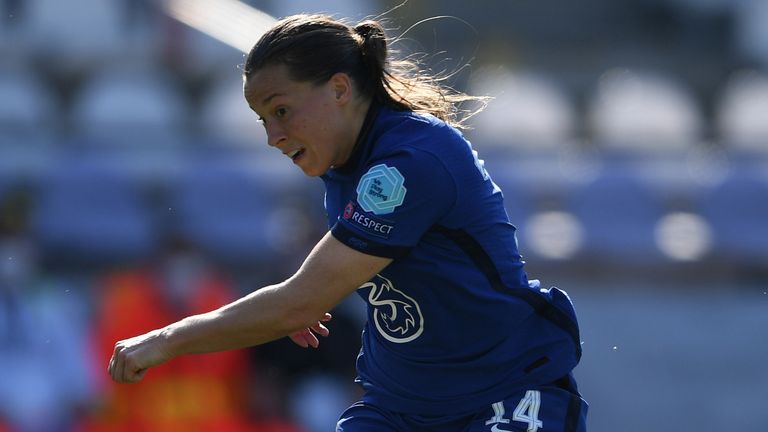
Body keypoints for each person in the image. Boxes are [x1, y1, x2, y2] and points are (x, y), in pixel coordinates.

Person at [108, 14, 588, 431]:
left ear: (340, 88)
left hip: (503, 391)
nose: (273, 136)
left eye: (281, 110)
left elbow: (298, 302)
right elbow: (316, 290)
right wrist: (300, 299)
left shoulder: (408, 161)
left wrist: (164, 340)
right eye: (262, 120)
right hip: (400, 407)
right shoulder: (344, 161)